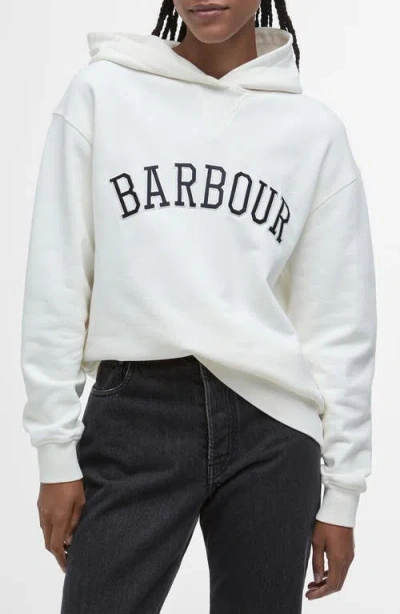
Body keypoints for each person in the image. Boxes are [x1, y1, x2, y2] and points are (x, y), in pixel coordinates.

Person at [20, 1, 377, 612]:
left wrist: (342, 493)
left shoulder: (312, 131)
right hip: (136, 413)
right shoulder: (102, 95)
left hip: (273, 429)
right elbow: (57, 279)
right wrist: (55, 453)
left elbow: (339, 323)